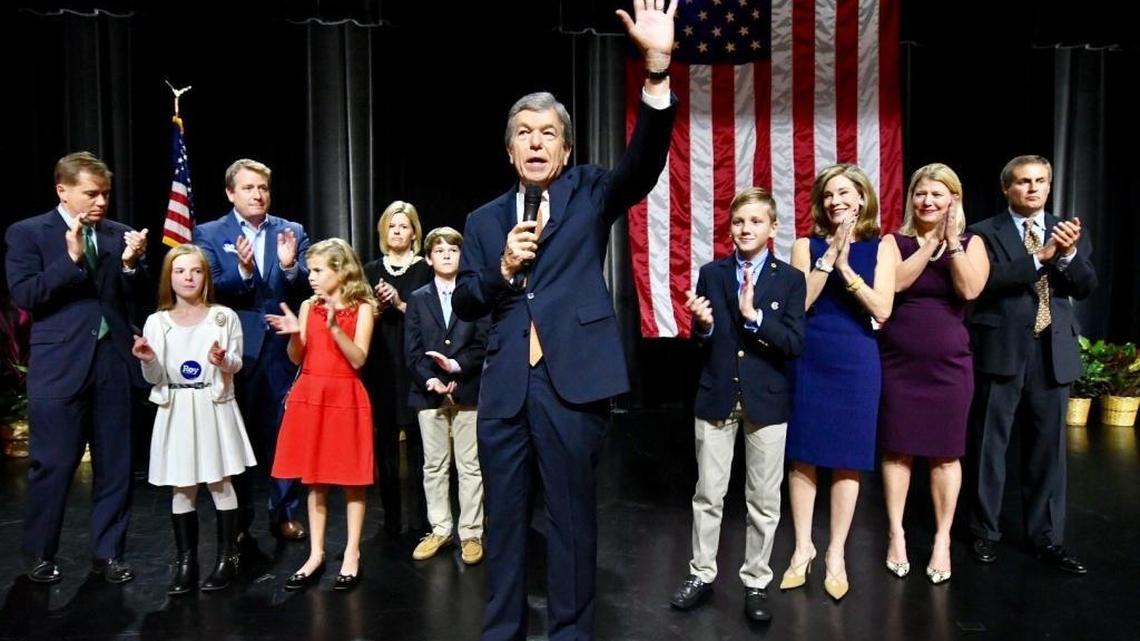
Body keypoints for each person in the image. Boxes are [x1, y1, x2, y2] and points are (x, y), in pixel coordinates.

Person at [451, 2, 677, 638]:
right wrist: (499, 269)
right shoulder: (484, 220)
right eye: (523, 132)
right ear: (508, 149)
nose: (535, 141)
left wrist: (657, 69)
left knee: (573, 524)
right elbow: (468, 299)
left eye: (547, 132)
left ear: (567, 147)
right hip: (504, 392)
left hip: (571, 384)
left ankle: (572, 634)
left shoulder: (592, 191)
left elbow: (647, 162)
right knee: (505, 525)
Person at [5, 151, 149, 584]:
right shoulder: (28, 233)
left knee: (117, 466)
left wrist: (129, 265)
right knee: (54, 463)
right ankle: (40, 554)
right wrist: (69, 262)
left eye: (105, 193)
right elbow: (26, 295)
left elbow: (134, 297)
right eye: (91, 193)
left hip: (113, 364)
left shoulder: (119, 234)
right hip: (60, 366)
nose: (100, 202)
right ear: (62, 190)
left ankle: (108, 554)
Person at [667, 188, 806, 622]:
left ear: (773, 228)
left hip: (767, 401)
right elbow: (702, 339)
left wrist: (756, 318)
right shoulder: (712, 273)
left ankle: (756, 581)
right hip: (717, 396)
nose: (746, 229)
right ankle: (702, 573)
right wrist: (704, 326)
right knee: (709, 493)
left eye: (756, 221)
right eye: (739, 222)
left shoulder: (790, 279)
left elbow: (794, 343)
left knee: (763, 499)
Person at [967, 155, 1096, 574]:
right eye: (1024, 182)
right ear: (1007, 188)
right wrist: (1042, 256)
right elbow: (985, 283)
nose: (1033, 189)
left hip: (1050, 354)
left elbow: (1086, 285)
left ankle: (1047, 537)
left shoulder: (1067, 230)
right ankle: (985, 532)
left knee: (1048, 453)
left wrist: (1068, 255)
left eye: (1041, 181)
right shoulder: (983, 232)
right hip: (1001, 351)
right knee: (990, 446)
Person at [781, 164, 897, 601]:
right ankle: (801, 549)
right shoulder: (803, 245)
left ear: (862, 198)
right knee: (803, 457)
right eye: (829, 194)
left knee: (848, 458)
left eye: (845, 193)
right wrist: (828, 260)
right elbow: (800, 305)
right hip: (810, 357)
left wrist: (848, 269)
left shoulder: (882, 246)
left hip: (855, 359)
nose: (836, 201)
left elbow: (882, 308)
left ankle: (835, 554)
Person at [878, 164, 989, 585]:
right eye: (921, 193)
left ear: (953, 200)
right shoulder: (895, 240)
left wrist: (952, 245)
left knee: (946, 453)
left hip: (950, 366)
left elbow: (970, 290)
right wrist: (929, 246)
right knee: (898, 449)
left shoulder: (972, 242)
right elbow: (898, 284)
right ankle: (896, 534)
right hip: (898, 363)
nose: (928, 201)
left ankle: (942, 539)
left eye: (937, 195)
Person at [193, 158, 310, 542]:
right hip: (233, 349)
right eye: (248, 188)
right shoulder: (209, 233)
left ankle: (285, 513)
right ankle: (238, 518)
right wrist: (243, 272)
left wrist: (292, 268)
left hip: (281, 348)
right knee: (234, 433)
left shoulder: (291, 230)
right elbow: (207, 286)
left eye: (262, 188)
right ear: (230, 192)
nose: (258, 194)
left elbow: (311, 284)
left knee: (283, 432)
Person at [131, 244, 257, 595]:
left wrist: (222, 360)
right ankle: (186, 562)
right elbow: (154, 376)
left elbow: (236, 364)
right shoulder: (157, 321)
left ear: (206, 276)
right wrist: (146, 359)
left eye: (196, 271)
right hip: (178, 409)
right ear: (169, 278)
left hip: (214, 406)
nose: (188, 277)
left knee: (220, 483)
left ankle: (227, 557)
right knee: (182, 486)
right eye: (181, 271)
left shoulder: (223, 316)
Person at [266, 238, 376, 590]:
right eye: (309, 270)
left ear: (341, 270)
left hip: (345, 394)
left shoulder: (362, 308)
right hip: (311, 395)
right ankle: (315, 553)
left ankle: (351, 553)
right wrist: (297, 335)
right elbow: (297, 358)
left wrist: (332, 327)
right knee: (315, 480)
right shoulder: (307, 305)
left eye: (317, 270)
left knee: (352, 481)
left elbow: (358, 358)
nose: (311, 277)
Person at [404, 227, 491, 564]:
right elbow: (411, 352)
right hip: (429, 394)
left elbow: (483, 343)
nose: (445, 255)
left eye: (453, 250)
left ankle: (471, 532)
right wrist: (431, 381)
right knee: (434, 465)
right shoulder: (418, 298)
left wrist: (456, 367)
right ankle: (440, 528)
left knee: (469, 465)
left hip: (467, 388)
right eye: (438, 250)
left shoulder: (475, 297)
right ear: (428, 257)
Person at [362, 201, 433, 537]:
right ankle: (390, 521)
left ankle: (423, 520)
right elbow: (359, 318)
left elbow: (433, 319)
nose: (398, 231)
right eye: (392, 226)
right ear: (383, 231)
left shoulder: (425, 270)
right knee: (385, 445)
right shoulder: (370, 269)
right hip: (380, 365)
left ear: (414, 232)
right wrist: (376, 307)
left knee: (421, 446)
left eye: (404, 226)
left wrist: (401, 303)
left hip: (414, 364)